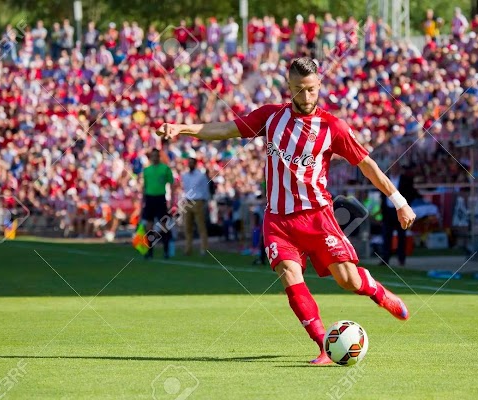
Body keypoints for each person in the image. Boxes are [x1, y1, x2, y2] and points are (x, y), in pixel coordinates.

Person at [157, 57, 416, 365]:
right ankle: (324, 345)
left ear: (319, 85)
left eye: (310, 90)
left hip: (318, 217)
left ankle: (377, 291)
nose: (305, 98)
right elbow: (226, 128)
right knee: (289, 275)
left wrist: (398, 200)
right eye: (297, 90)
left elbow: (366, 165)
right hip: (278, 220)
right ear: (288, 87)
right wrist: (182, 128)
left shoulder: (333, 127)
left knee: (347, 280)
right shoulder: (271, 117)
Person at [380, 164, 420, 266]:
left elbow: (411, 193)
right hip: (388, 211)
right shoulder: (386, 178)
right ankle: (385, 259)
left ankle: (401, 259)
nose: (394, 169)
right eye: (393, 167)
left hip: (400, 211)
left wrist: (405, 206)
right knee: (386, 236)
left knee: (401, 236)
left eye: (396, 167)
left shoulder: (406, 179)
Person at [141, 149, 174, 260]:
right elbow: (144, 187)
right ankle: (149, 252)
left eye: (156, 156)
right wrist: (143, 201)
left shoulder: (165, 169)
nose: (155, 158)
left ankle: (166, 251)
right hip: (150, 199)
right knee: (148, 226)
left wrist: (172, 201)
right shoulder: (147, 170)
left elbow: (172, 185)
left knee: (163, 226)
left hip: (160, 198)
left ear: (159, 157)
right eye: (153, 156)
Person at [181, 157, 210, 256]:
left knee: (200, 226)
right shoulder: (185, 175)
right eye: (189, 162)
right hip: (188, 201)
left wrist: (205, 201)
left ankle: (203, 248)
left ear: (195, 164)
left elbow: (205, 189)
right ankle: (188, 248)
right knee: (187, 226)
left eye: (191, 162)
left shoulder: (201, 176)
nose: (190, 164)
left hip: (198, 201)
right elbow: (185, 189)